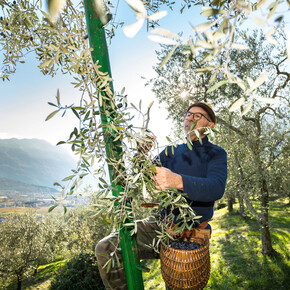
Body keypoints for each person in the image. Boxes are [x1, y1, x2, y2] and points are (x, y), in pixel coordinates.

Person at [95, 102, 227, 290]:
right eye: (188, 114)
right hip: (159, 226)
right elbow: (145, 176)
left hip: (190, 234)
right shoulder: (171, 151)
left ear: (210, 125)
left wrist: (177, 181)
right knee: (106, 248)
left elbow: (216, 188)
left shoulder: (216, 154)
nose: (189, 118)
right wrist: (141, 153)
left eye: (197, 116)